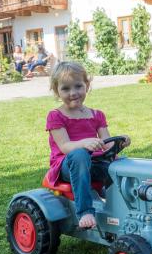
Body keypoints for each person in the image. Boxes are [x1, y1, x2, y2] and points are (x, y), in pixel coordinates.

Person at [45, 61, 131, 228]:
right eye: (66, 89)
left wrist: (120, 142)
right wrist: (84, 143)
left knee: (120, 165)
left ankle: (122, 206)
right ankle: (85, 211)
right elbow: (65, 147)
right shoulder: (56, 116)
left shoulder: (97, 115)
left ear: (87, 85)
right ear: (56, 91)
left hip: (93, 162)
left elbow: (107, 143)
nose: (73, 93)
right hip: (67, 165)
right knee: (80, 155)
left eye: (78, 86)